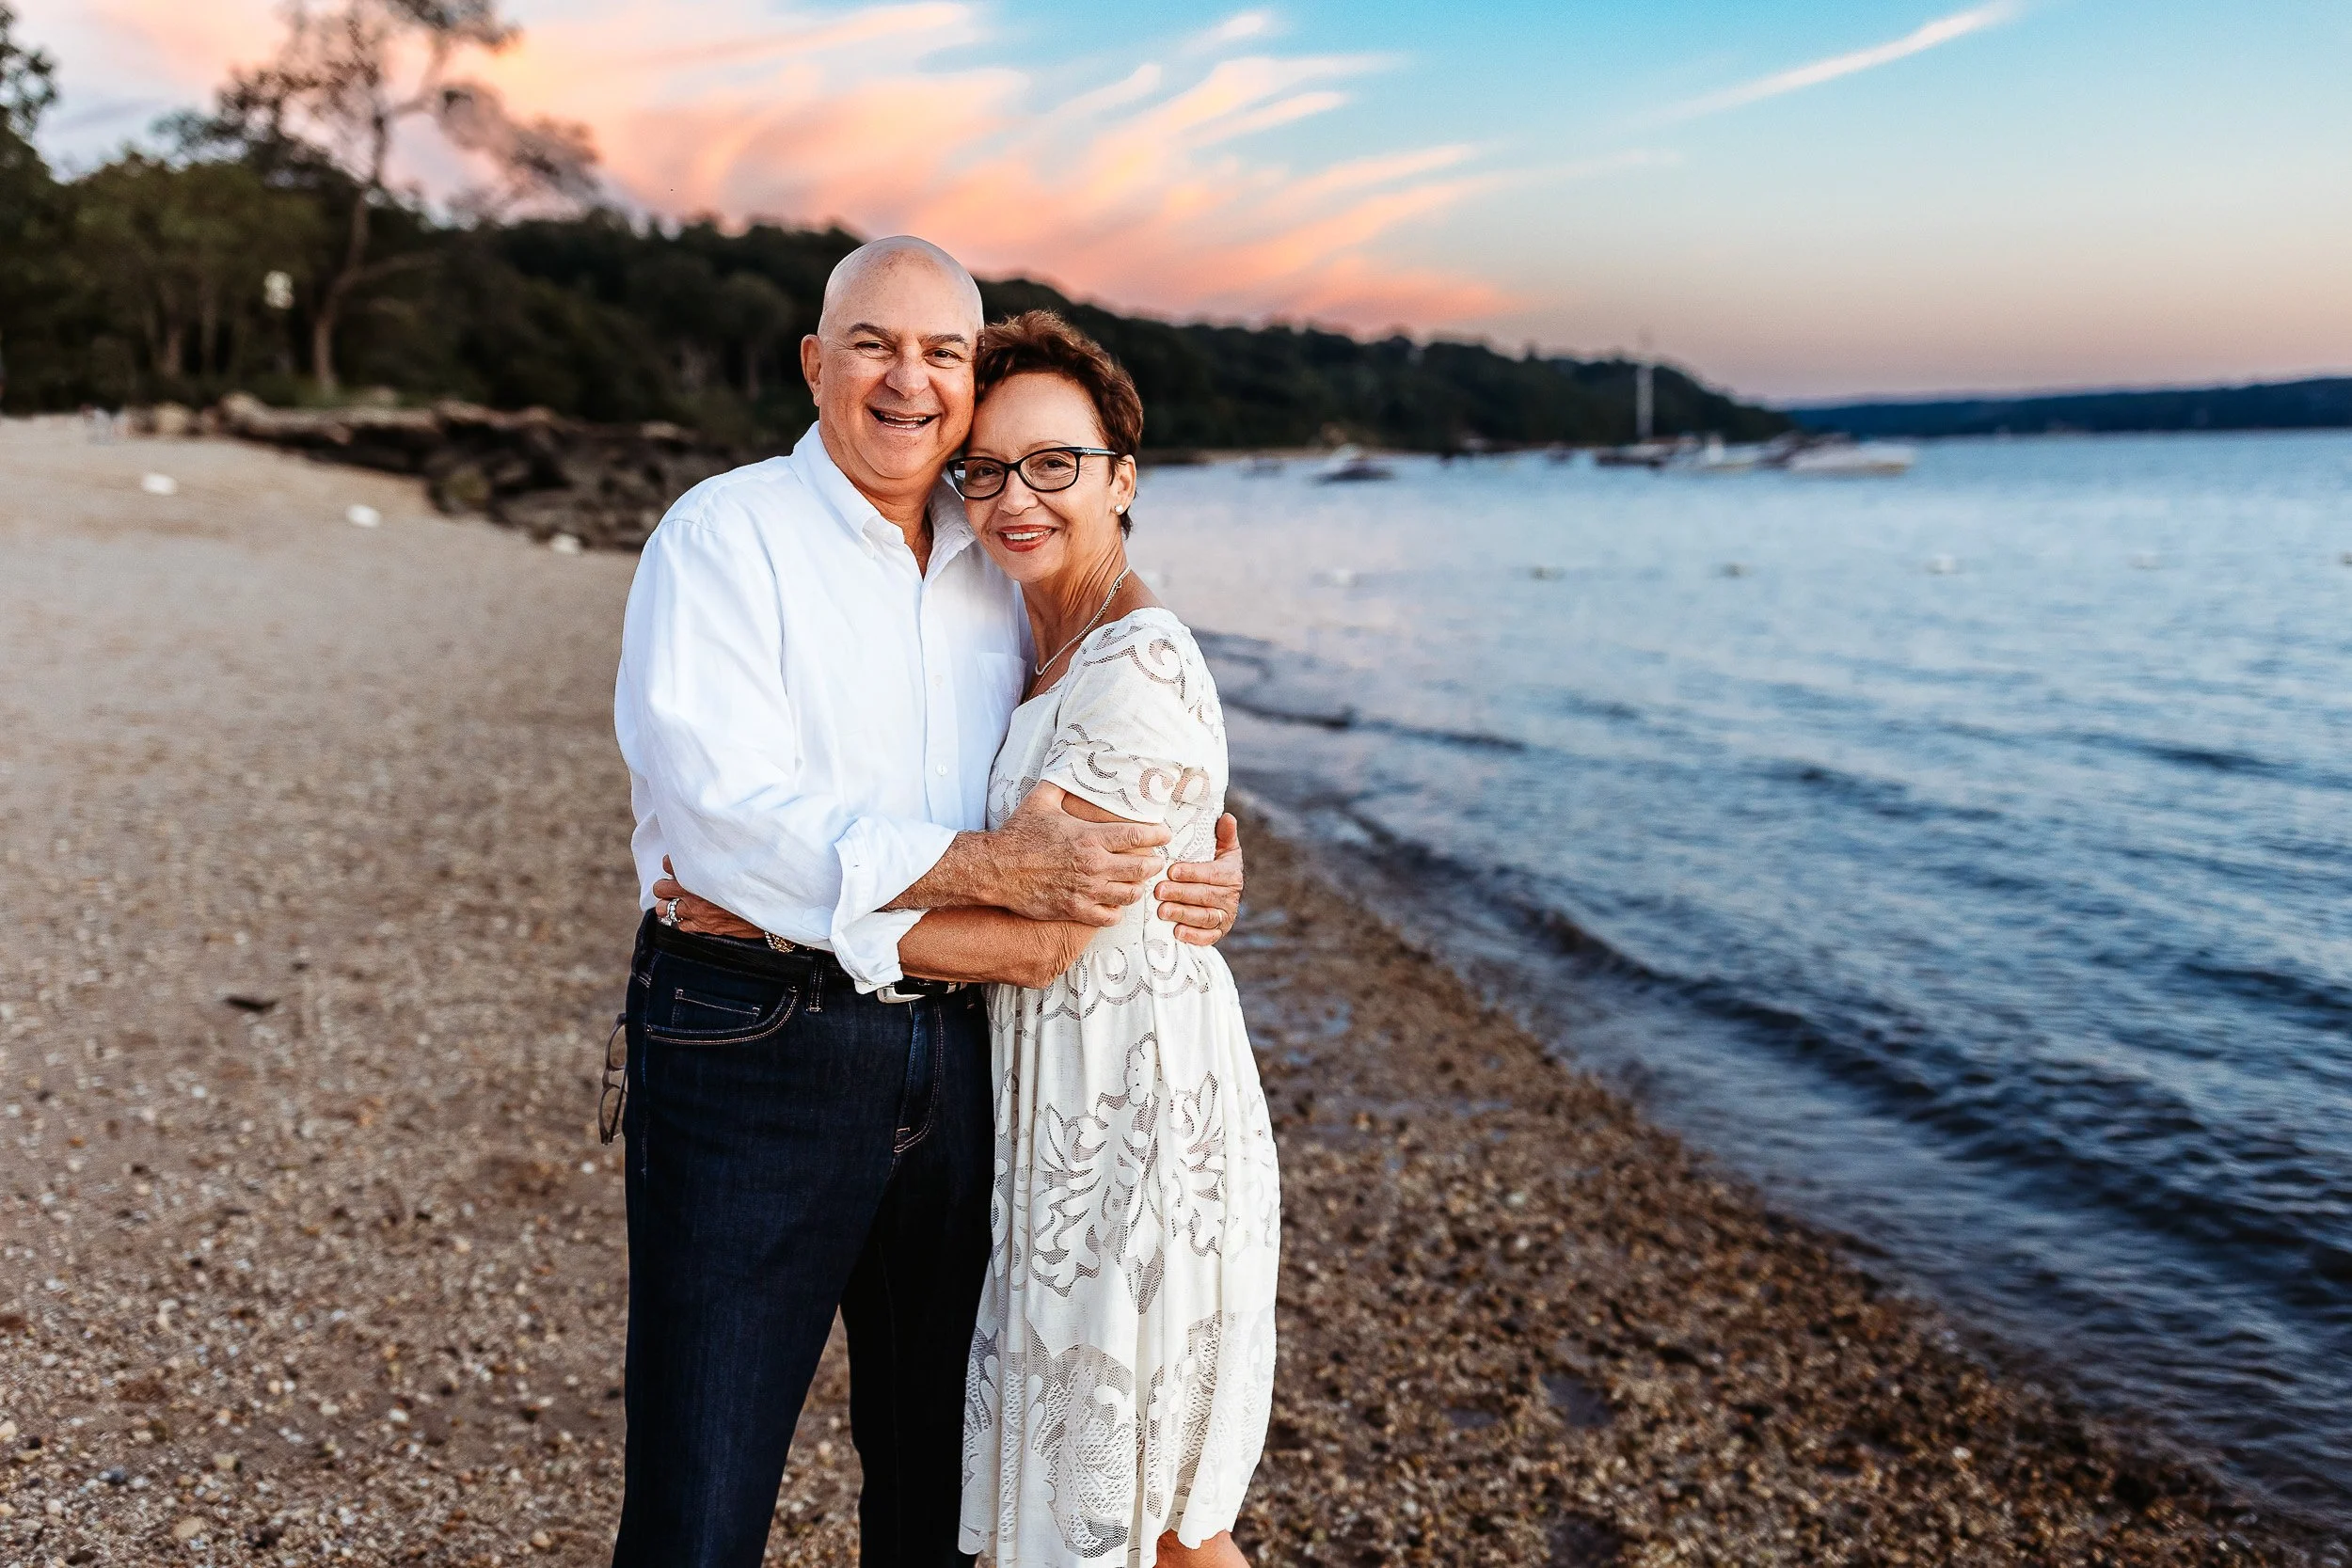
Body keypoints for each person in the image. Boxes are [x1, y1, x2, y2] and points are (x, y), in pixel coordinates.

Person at [609, 238, 1246, 1568]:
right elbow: (732, 823)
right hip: (754, 1040)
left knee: (943, 1497)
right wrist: (987, 869)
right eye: (873, 345)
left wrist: (1203, 852)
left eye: (941, 353)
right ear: (814, 362)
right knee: (702, 1489)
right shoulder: (726, 536)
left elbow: (1108, 746)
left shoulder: (997, 549)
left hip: (973, 1059)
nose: (909, 381)